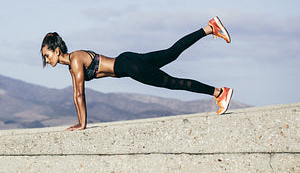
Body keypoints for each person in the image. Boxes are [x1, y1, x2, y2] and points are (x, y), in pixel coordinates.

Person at [40, 16, 234, 131]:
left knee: (173, 82)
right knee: (171, 53)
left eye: (47, 56)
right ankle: (210, 28)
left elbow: (79, 95)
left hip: (129, 66)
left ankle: (219, 93)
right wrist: (80, 122)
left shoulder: (75, 60)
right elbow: (76, 95)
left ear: (57, 51)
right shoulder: (72, 65)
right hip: (128, 62)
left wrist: (81, 125)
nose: (47, 61)